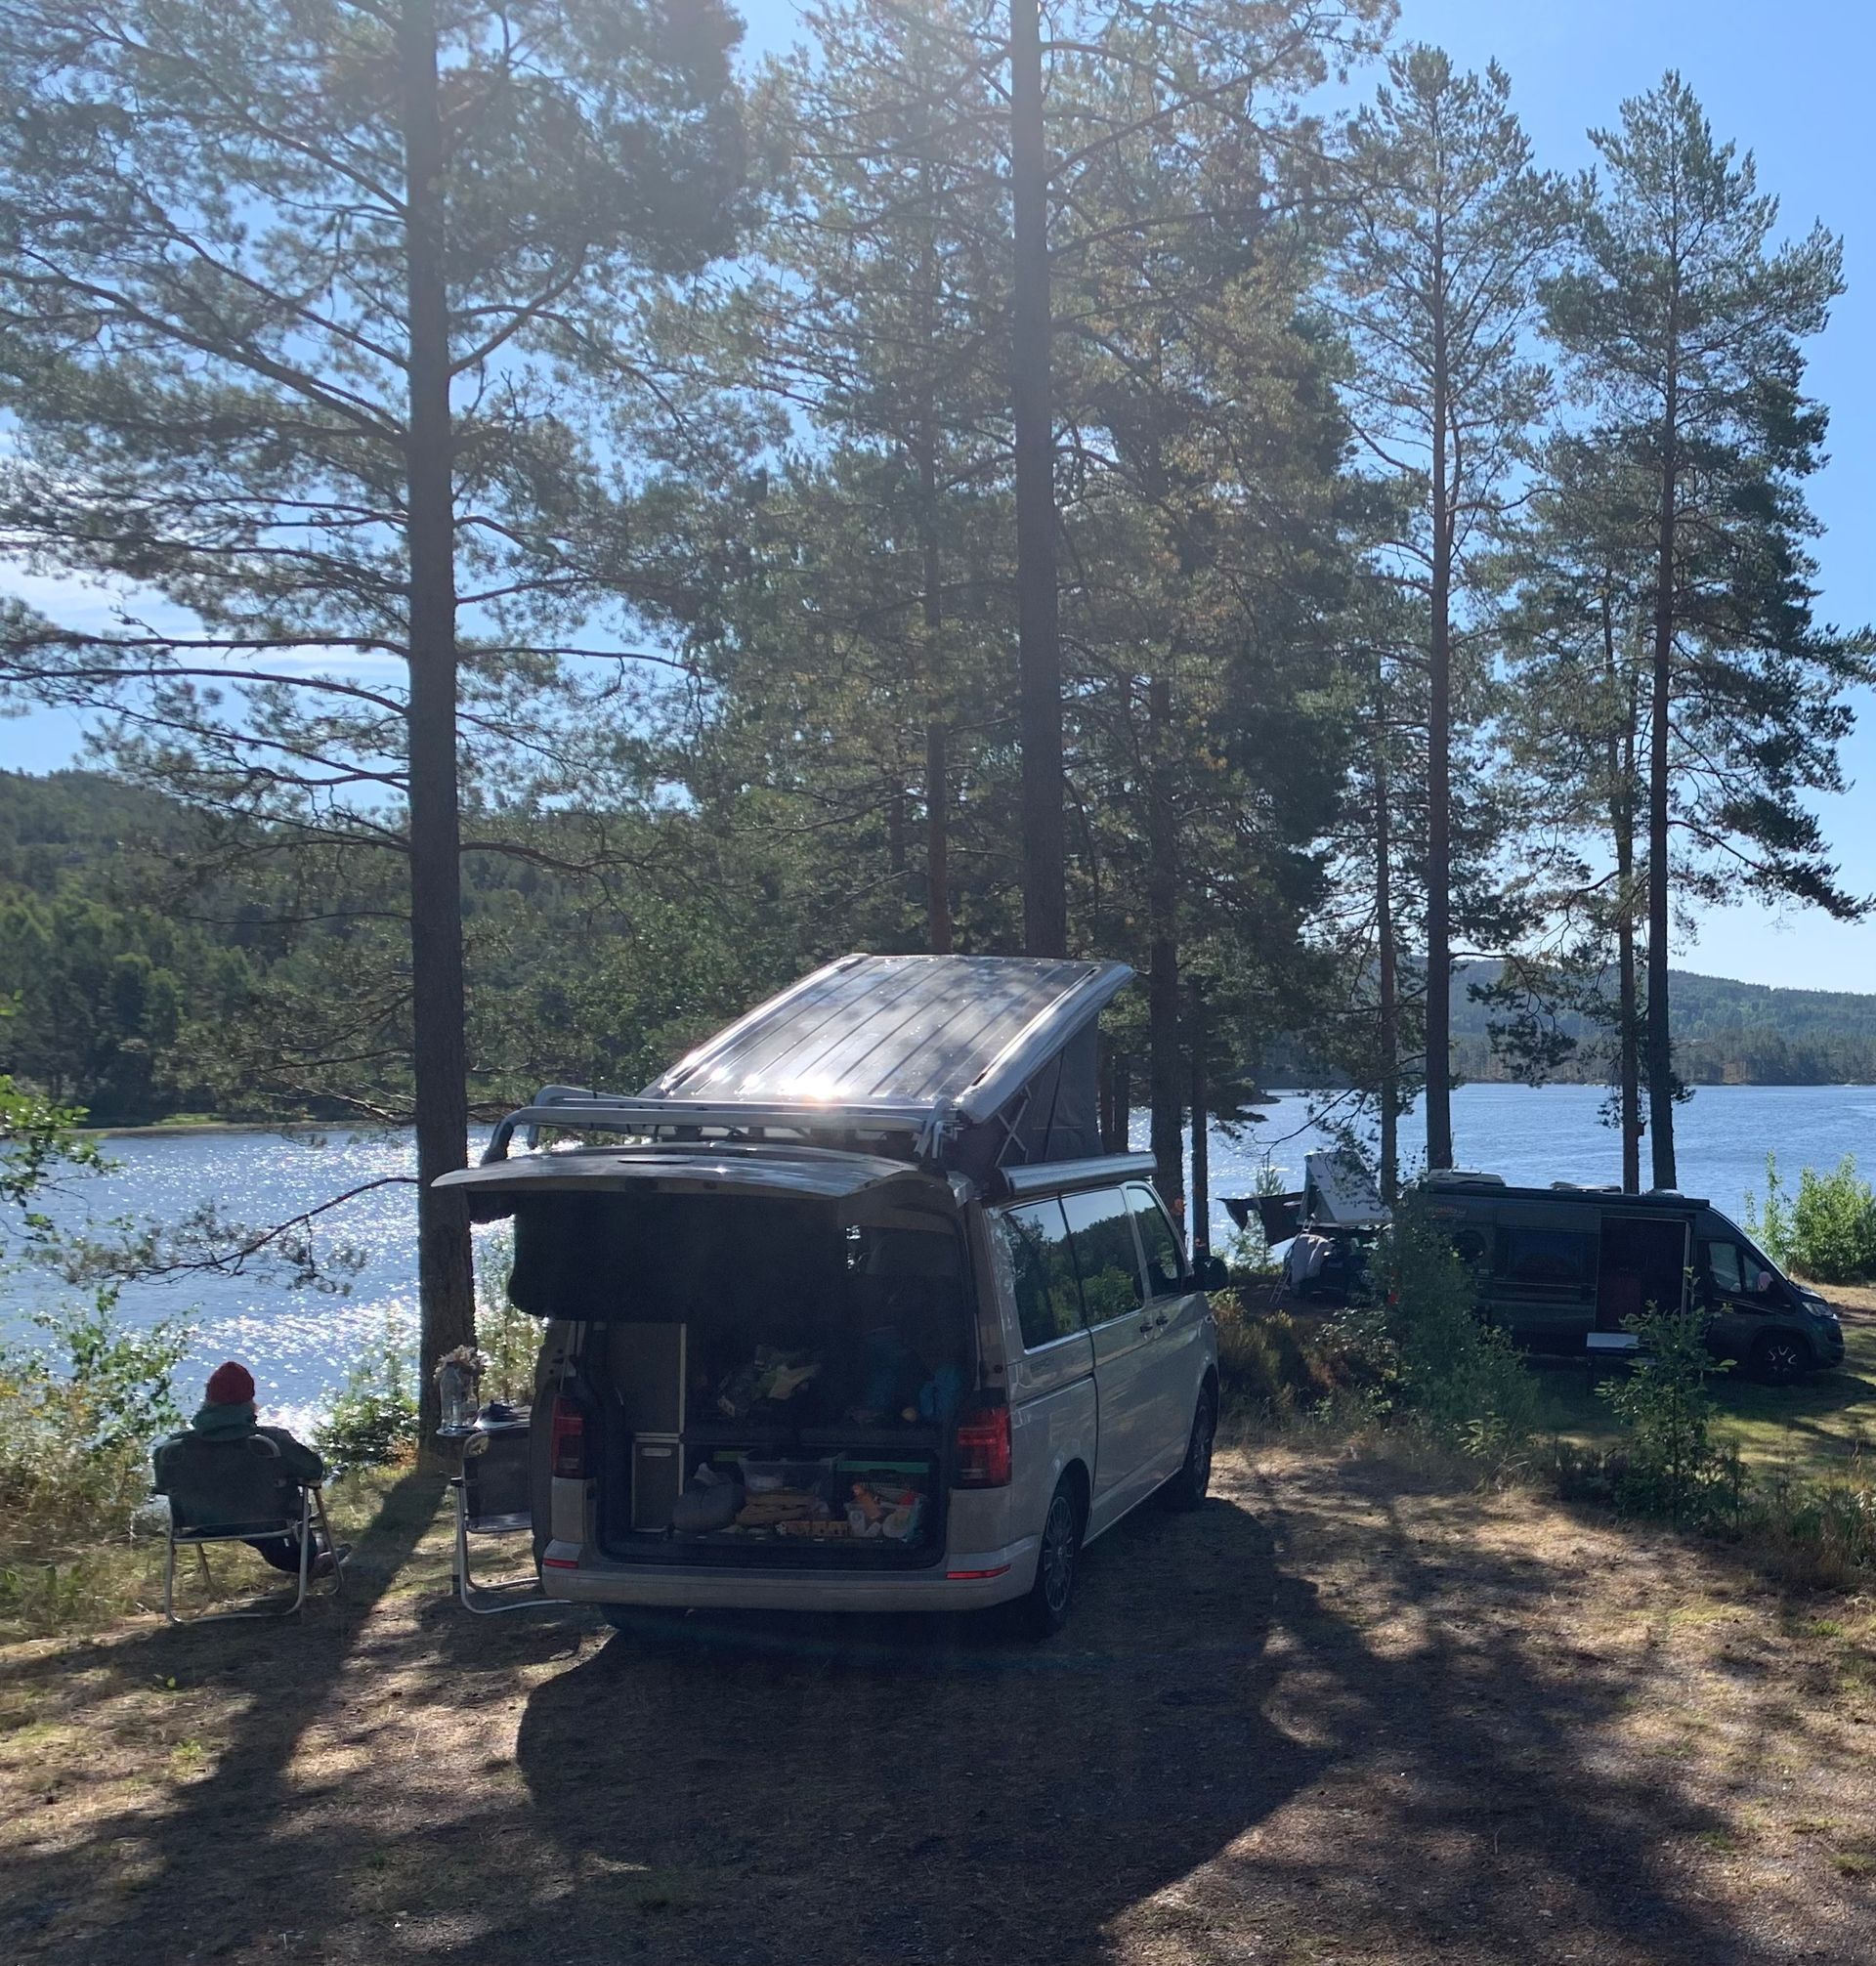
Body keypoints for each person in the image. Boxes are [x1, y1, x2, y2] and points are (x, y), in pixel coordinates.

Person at [153, 1361, 350, 1577]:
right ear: (248, 1402)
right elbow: (314, 1471)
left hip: (203, 1525)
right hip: (270, 1522)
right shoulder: (269, 1441)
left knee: (251, 1523)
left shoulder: (173, 1449)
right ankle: (312, 1559)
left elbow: (164, 1485)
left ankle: (311, 1559)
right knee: (272, 1525)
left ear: (208, 1401)